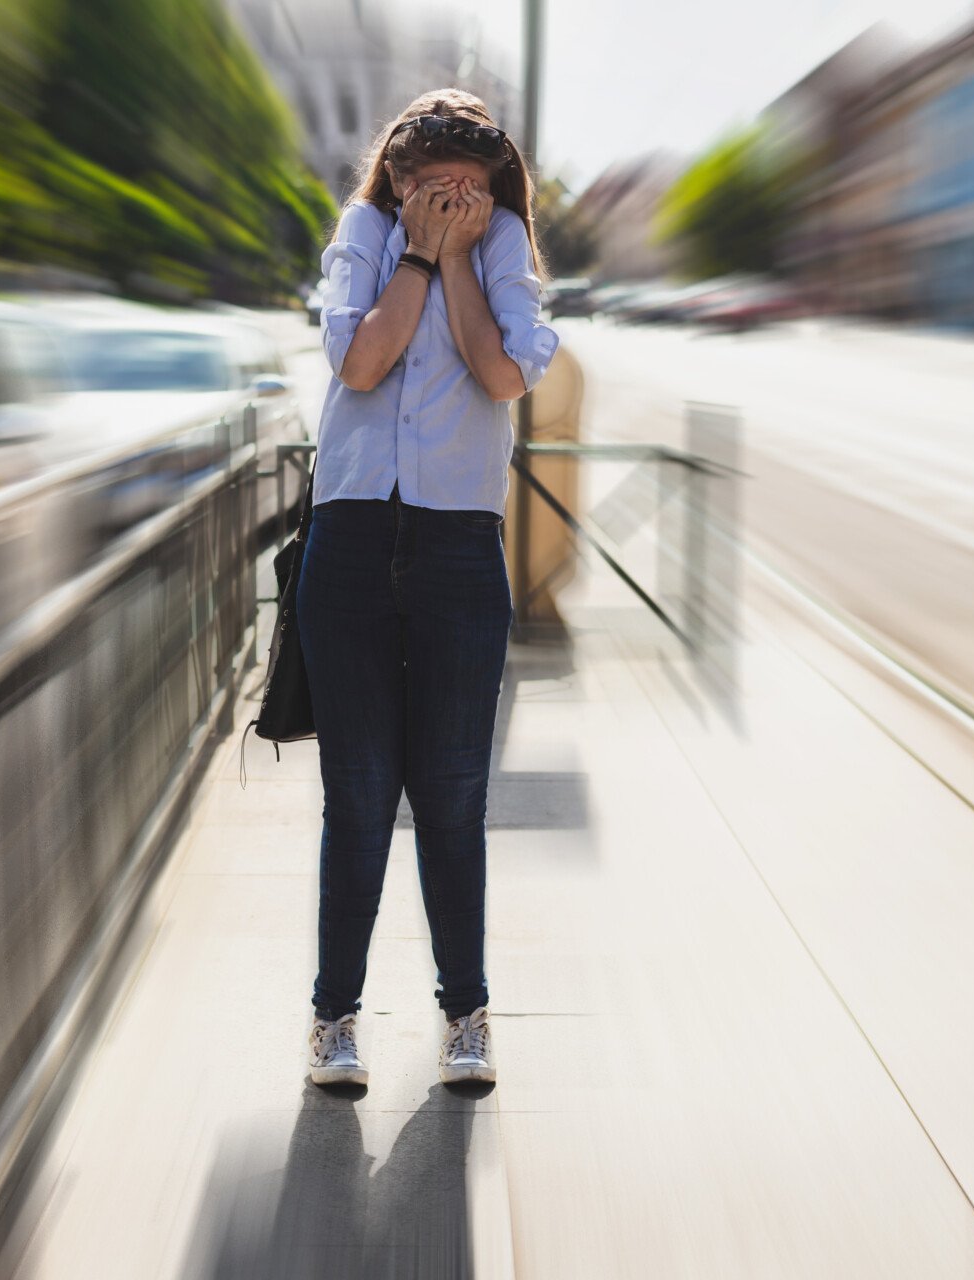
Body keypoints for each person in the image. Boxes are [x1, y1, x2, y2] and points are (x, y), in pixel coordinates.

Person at [297, 89, 558, 1088]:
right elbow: (361, 360)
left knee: (452, 794)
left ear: (496, 193)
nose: (454, 202)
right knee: (358, 798)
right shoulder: (364, 234)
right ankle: (333, 1019)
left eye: (471, 191)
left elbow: (501, 377)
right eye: (431, 188)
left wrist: (454, 261)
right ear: (397, 182)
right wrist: (413, 251)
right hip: (354, 540)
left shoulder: (503, 256)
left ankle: (467, 1015)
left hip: (456, 548)